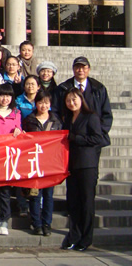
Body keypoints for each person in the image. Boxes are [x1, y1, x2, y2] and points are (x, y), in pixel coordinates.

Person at [61, 87, 107, 251]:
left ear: (81, 99)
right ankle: (74, 235)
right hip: (71, 165)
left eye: (74, 99)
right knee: (73, 202)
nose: (71, 103)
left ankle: (86, 239)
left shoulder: (91, 116)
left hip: (87, 165)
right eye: (68, 100)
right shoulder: (67, 118)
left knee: (86, 203)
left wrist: (76, 138)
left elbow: (97, 138)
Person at [22, 90, 62, 237]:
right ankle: (36, 223)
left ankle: (47, 223)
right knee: (35, 194)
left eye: (46, 103)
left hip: (50, 163)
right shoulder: (30, 120)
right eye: (40, 102)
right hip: (34, 161)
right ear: (36, 103)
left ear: (50, 104)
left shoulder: (56, 121)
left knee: (48, 195)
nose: (43, 106)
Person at [0, 83, 23, 236]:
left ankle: (4, 220)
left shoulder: (16, 112)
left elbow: (20, 130)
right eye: (2, 95)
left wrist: (19, 130)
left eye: (8, 95)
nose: (5, 98)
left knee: (5, 192)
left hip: (9, 158)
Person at [54, 57, 112, 142]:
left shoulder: (98, 88)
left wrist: (99, 132)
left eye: (84, 67)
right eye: (77, 67)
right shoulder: (63, 88)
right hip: (70, 138)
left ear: (89, 69)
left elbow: (106, 113)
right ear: (73, 69)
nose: (80, 70)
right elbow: (55, 111)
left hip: (93, 140)